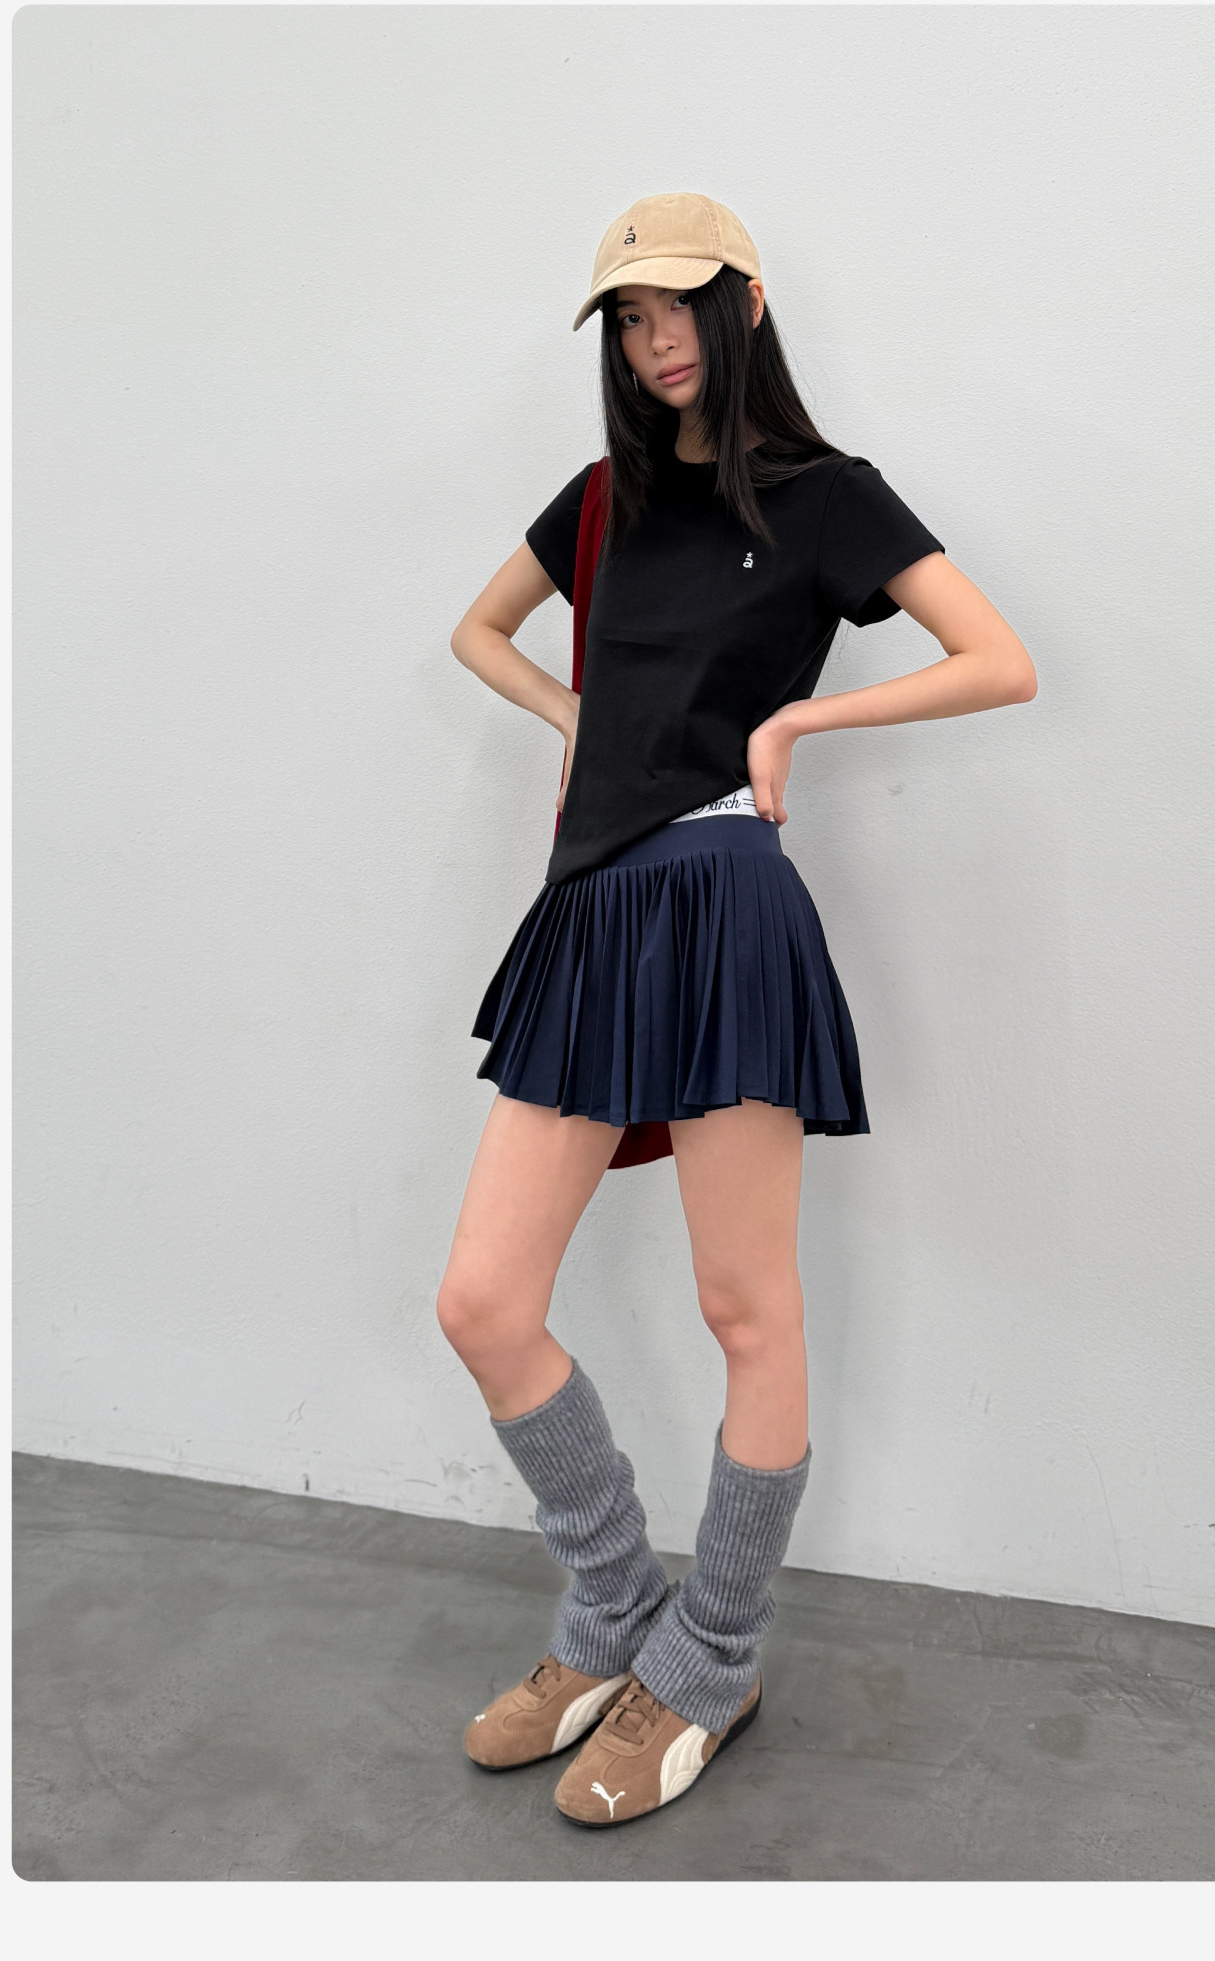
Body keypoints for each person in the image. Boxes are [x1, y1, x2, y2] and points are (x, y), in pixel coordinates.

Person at [437, 192, 1035, 1828]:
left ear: (745, 304)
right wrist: (572, 713)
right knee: (483, 1299)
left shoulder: (827, 496)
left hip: (722, 902)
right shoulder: (602, 502)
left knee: (744, 1304)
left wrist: (795, 728)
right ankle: (613, 1601)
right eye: (629, 321)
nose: (656, 342)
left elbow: (999, 658)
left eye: (677, 307)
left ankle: (711, 1652)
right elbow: (478, 630)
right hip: (592, 914)